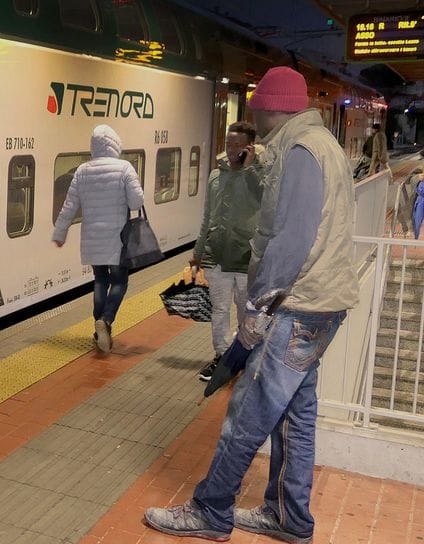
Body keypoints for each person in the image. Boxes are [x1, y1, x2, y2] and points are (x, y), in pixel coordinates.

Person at [144, 66, 358, 543]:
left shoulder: (299, 151)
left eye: (254, 106)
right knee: (295, 416)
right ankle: (289, 516)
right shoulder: (324, 145)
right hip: (322, 304)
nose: (251, 114)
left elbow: (292, 239)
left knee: (249, 410)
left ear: (267, 107)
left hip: (295, 305)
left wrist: (259, 307)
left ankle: (210, 509)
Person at [52, 124, 144, 352]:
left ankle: (98, 327)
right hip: (118, 238)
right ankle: (106, 319)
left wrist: (59, 232)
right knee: (120, 281)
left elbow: (69, 206)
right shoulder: (125, 168)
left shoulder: (82, 170)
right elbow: (136, 203)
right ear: (116, 144)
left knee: (100, 280)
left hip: (92, 237)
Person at [191, 122, 263, 381]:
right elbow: (207, 216)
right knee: (219, 310)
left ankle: (244, 357)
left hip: (246, 257)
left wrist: (250, 168)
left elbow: (266, 199)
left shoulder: (260, 174)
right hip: (216, 255)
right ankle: (222, 357)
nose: (231, 150)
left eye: (237, 145)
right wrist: (198, 253)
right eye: (228, 144)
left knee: (245, 311)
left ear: (249, 147)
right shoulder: (214, 175)